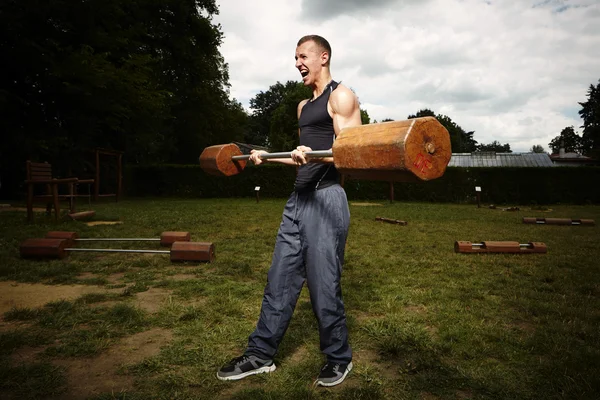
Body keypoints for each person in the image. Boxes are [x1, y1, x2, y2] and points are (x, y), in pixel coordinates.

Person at [217, 34, 362, 387]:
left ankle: (338, 358)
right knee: (279, 279)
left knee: (323, 284)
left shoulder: (341, 96)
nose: (297, 62)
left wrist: (311, 153)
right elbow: (302, 160)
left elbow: (350, 155)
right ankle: (260, 354)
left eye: (303, 56)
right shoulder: (302, 107)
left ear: (323, 57)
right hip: (298, 200)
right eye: (295, 57)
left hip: (327, 198)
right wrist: (265, 157)